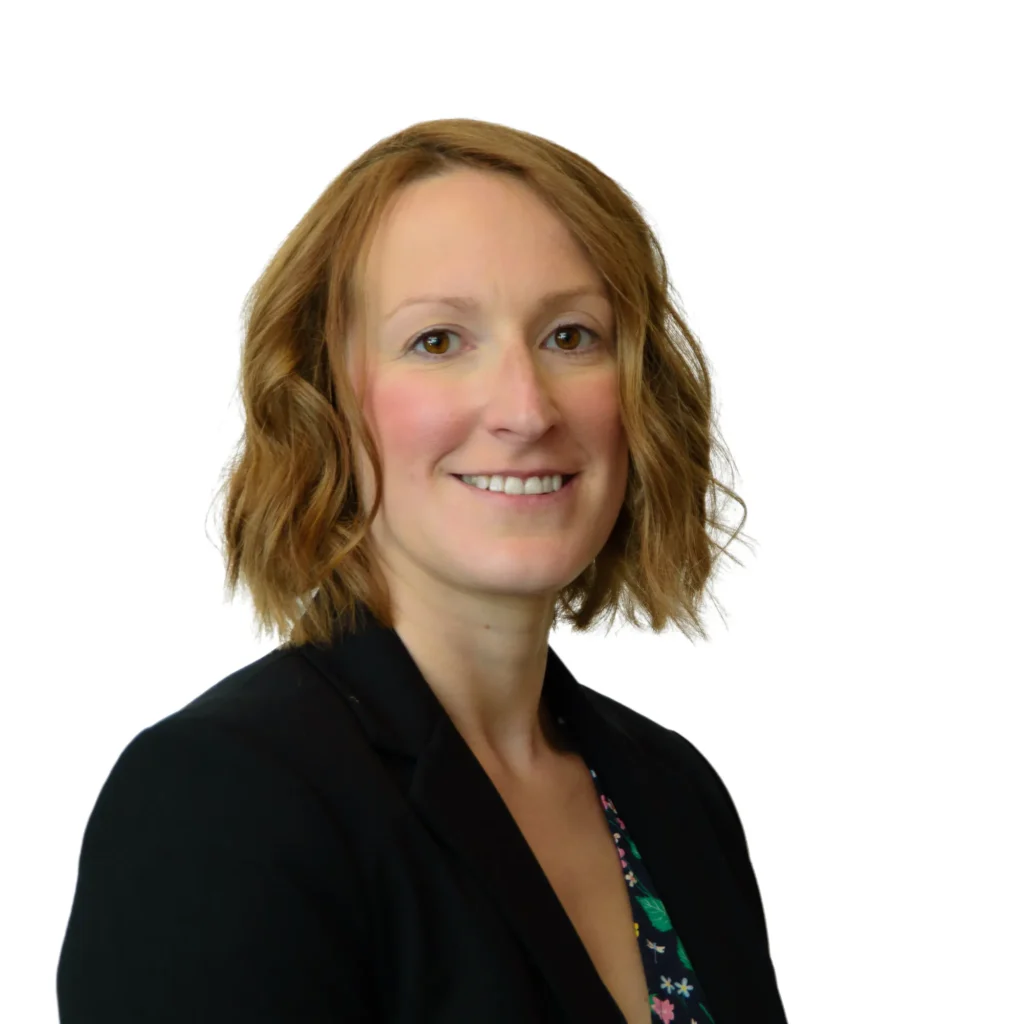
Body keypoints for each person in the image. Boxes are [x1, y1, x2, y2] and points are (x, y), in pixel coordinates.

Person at [57, 118, 788, 1023]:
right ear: (320, 399)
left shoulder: (674, 792)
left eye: (571, 335)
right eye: (438, 341)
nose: (525, 408)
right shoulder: (219, 803)